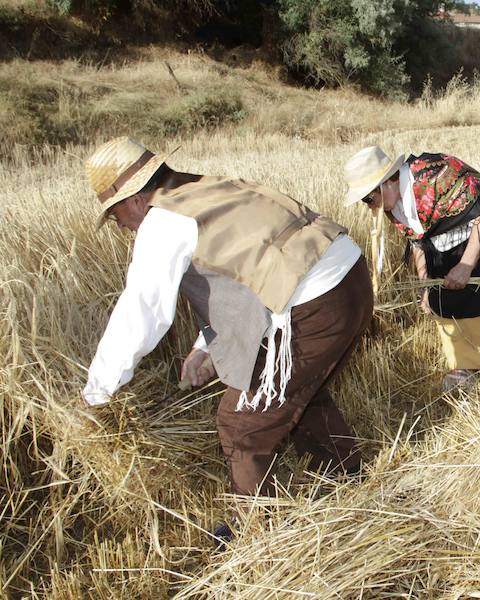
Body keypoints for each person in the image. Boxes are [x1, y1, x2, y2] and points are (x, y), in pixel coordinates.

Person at [82, 137, 373, 541]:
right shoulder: (203, 188)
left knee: (241, 422)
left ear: (132, 198)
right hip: (349, 279)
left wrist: (98, 392)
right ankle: (351, 476)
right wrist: (205, 349)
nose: (120, 225)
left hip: (319, 301)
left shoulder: (162, 222)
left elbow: (142, 311)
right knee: (296, 388)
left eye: (114, 214)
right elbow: (251, 272)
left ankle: (257, 534)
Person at [342, 146, 480, 391]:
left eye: (368, 199)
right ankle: (467, 364)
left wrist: (466, 266)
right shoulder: (391, 204)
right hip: (449, 241)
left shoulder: (437, 174)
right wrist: (426, 286)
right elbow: (418, 242)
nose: (369, 206)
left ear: (385, 183)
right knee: (447, 300)